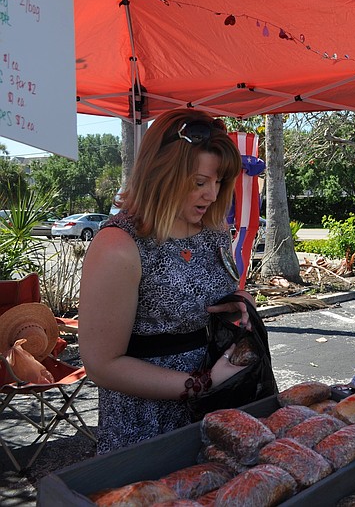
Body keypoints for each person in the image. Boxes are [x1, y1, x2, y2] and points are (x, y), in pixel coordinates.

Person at [78, 108, 255, 454]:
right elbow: (101, 365)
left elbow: (221, 290)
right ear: (160, 175)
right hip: (145, 423)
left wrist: (239, 302)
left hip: (214, 408)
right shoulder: (118, 246)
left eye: (219, 182)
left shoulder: (213, 229)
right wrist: (200, 384)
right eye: (199, 183)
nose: (212, 195)